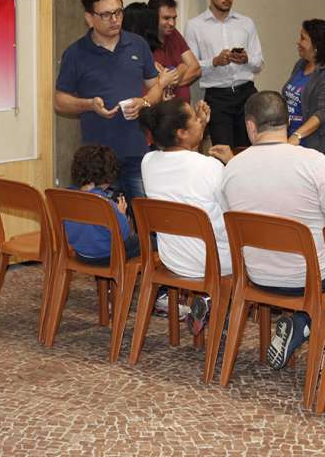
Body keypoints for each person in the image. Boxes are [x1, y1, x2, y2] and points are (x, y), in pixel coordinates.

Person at [212, 91, 325, 369]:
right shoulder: (315, 162)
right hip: (308, 278)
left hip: (256, 275)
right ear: (286, 122)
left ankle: (301, 321)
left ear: (251, 126)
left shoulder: (231, 169)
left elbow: (230, 222)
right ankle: (303, 321)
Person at [55, 0, 178, 204]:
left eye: (118, 12)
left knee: (145, 220)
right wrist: (90, 105)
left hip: (136, 150)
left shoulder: (137, 45)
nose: (115, 20)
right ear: (89, 18)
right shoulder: (75, 53)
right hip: (97, 160)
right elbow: (60, 101)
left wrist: (144, 101)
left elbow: (156, 87)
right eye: (106, 14)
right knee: (105, 225)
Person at [138, 98, 231, 334]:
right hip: (215, 262)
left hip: (173, 258)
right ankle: (218, 302)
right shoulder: (211, 166)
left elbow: (186, 174)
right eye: (195, 119)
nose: (200, 121)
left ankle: (211, 302)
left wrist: (197, 131)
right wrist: (232, 165)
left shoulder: (148, 161)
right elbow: (231, 213)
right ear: (181, 133)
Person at [185, 0, 264, 148]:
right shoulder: (195, 26)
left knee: (249, 150)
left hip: (247, 93)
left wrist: (246, 59)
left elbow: (259, 63)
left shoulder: (246, 23)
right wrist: (214, 62)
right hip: (217, 97)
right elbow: (190, 67)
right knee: (223, 151)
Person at [63, 144, 140, 263]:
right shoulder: (104, 202)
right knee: (148, 241)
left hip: (81, 254)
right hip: (107, 256)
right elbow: (122, 236)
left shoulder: (67, 196)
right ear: (109, 174)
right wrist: (121, 214)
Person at [147, 0, 202, 102]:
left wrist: (170, 82)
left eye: (174, 18)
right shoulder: (143, 42)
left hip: (182, 111)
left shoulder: (173, 34)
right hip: (160, 112)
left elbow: (196, 69)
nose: (172, 23)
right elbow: (153, 85)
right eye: (166, 18)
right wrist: (182, 68)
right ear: (153, 17)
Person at [282, 19, 325, 153]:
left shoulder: (322, 73)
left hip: (311, 144)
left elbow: (322, 113)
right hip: (289, 138)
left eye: (303, 38)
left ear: (316, 45)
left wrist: (297, 135)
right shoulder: (301, 64)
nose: (298, 42)